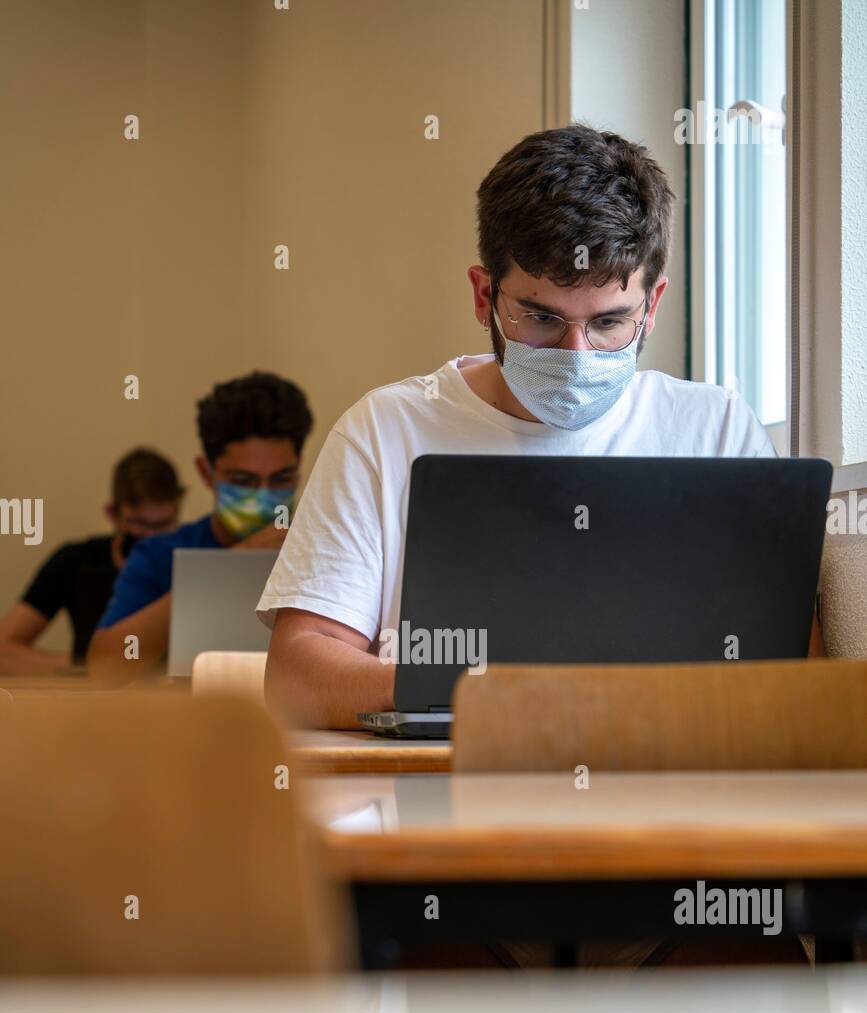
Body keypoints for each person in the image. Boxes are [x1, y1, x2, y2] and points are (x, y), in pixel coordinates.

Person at [259, 122, 821, 731]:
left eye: (609, 324)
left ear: (652, 305)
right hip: (452, 795)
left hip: (668, 791)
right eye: (541, 319)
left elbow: (798, 675)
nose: (577, 356)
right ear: (484, 296)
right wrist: (496, 695)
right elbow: (296, 676)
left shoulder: (716, 432)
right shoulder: (385, 431)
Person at [87, 370, 313, 682]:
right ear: (206, 473)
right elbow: (104, 666)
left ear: (299, 466)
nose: (263, 496)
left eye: (281, 479)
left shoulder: (324, 550)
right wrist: (231, 566)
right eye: (243, 481)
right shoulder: (160, 555)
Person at [0, 448, 183, 675]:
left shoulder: (192, 564)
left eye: (163, 524)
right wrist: (92, 668)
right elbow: (4, 652)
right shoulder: (75, 561)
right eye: (140, 524)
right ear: (112, 514)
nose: (152, 538)